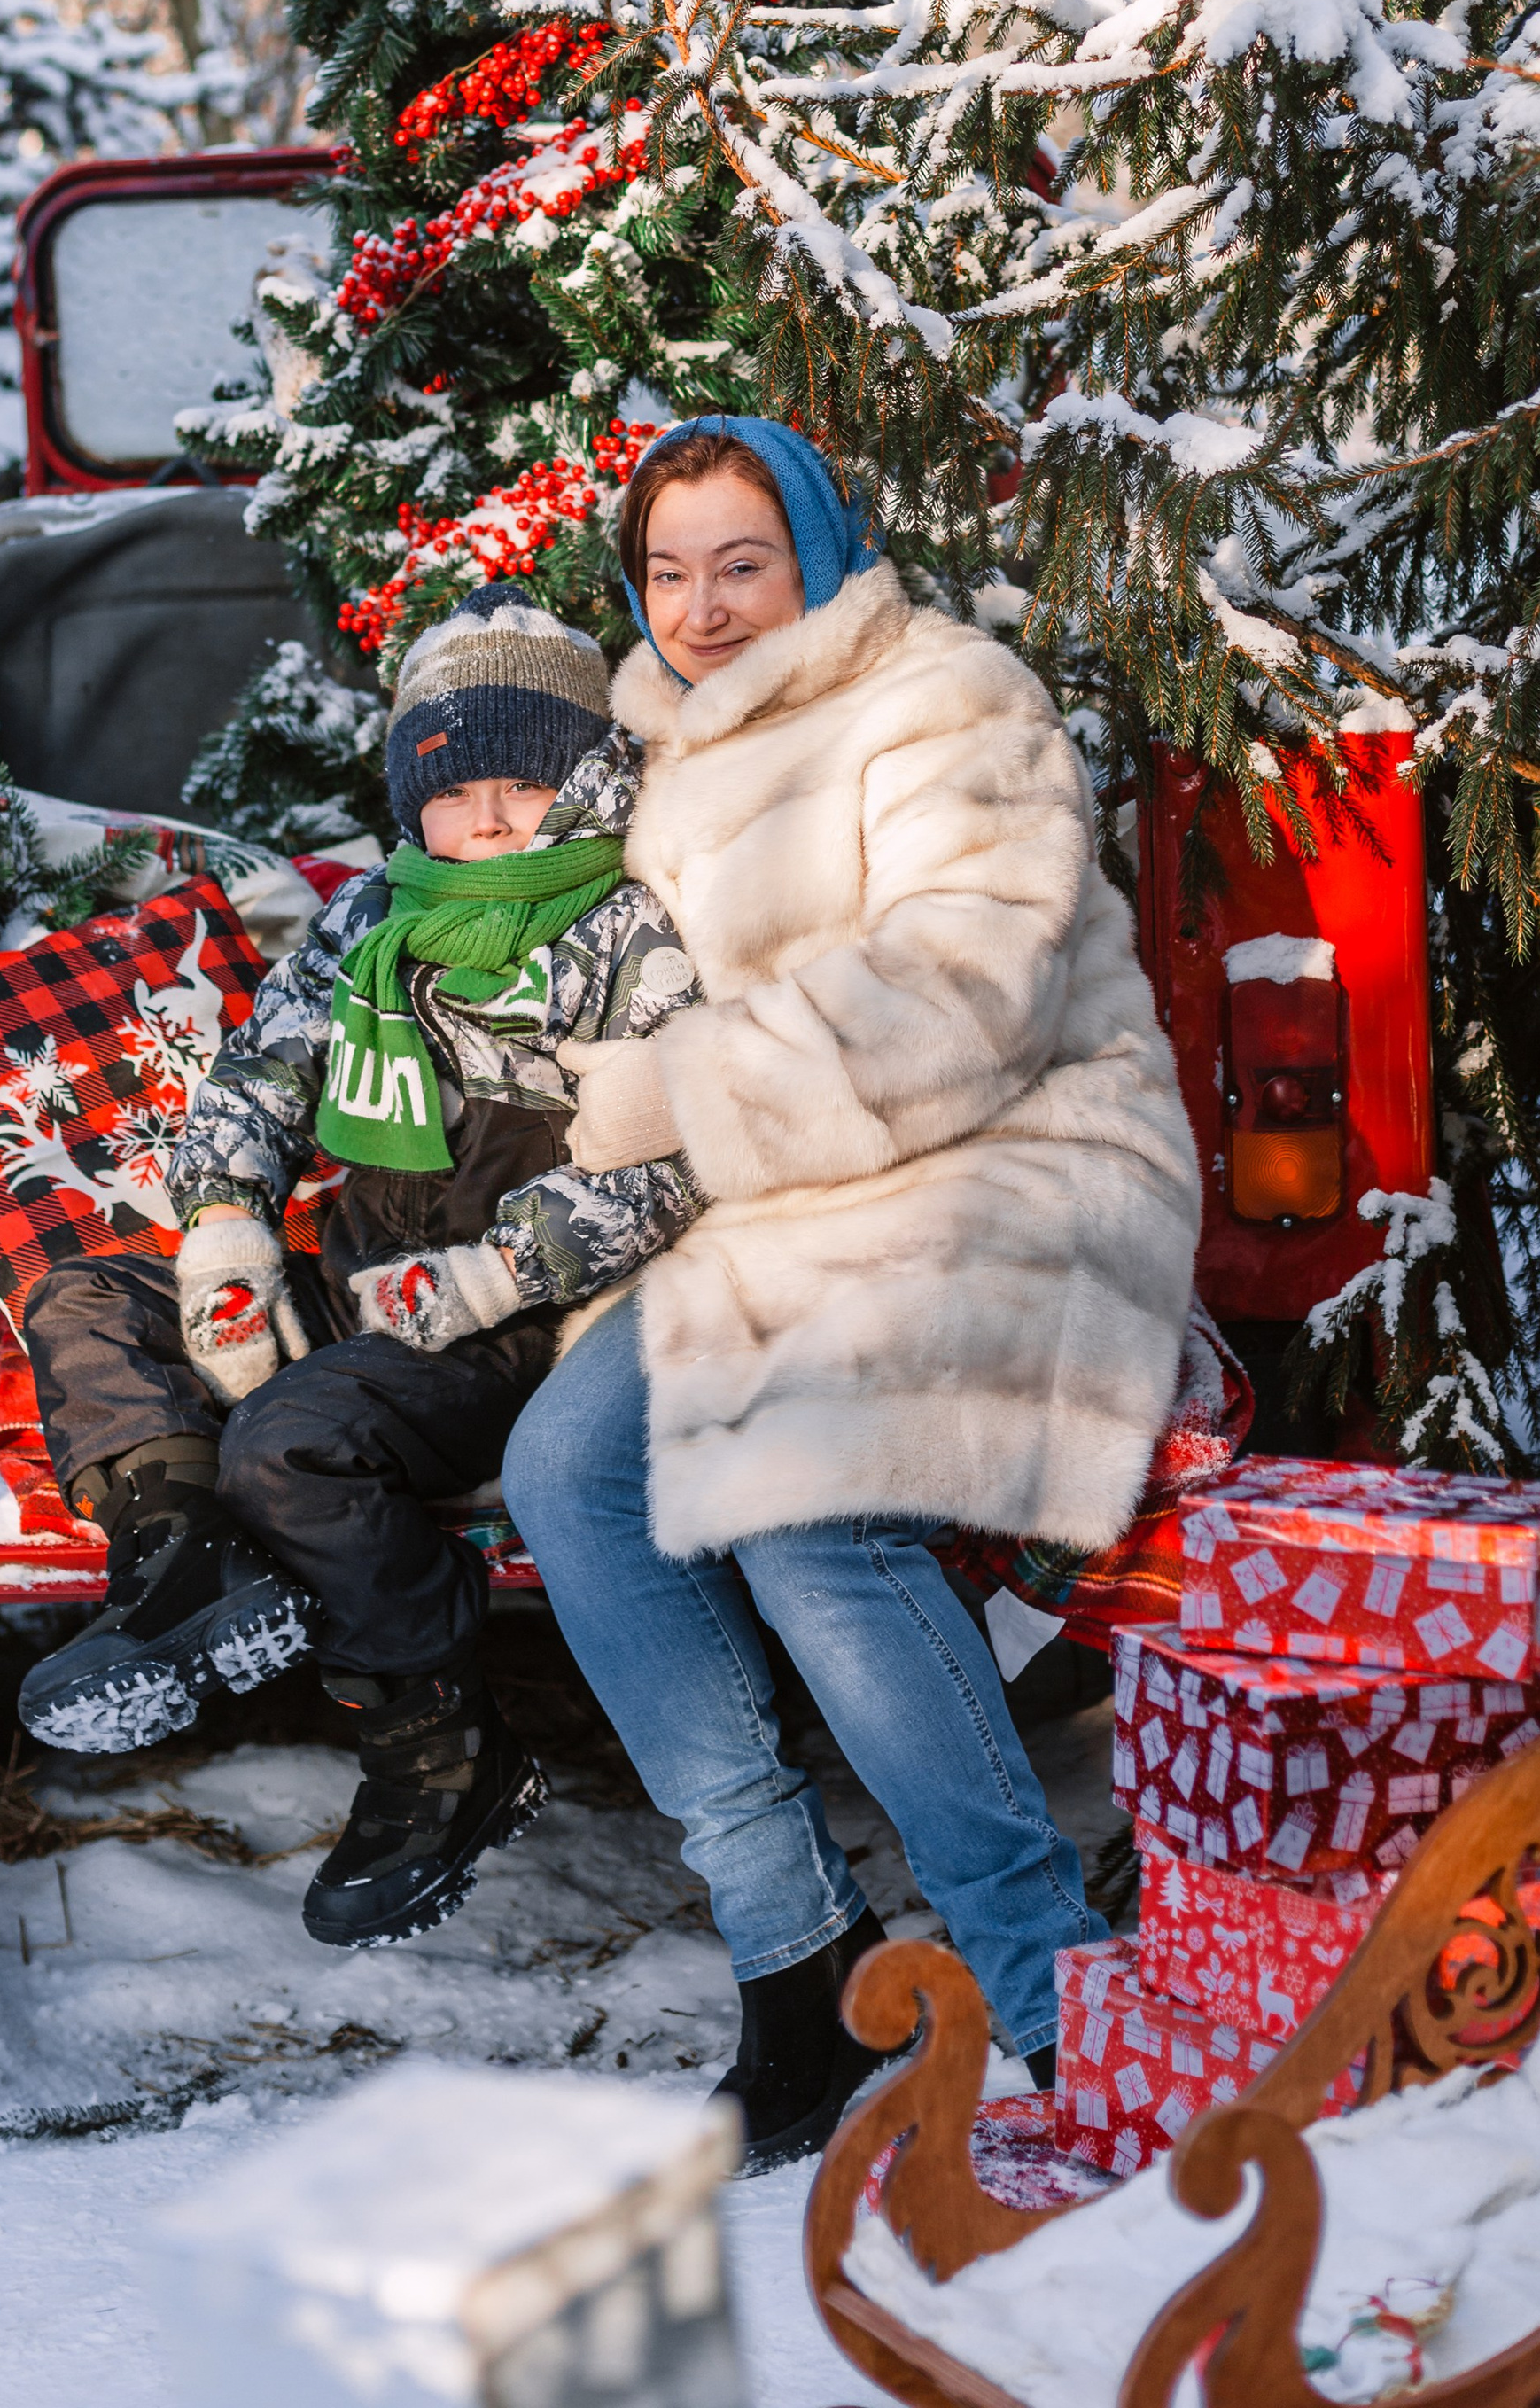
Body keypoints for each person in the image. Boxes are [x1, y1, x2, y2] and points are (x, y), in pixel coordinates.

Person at [502, 417, 1204, 2170]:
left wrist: (690, 1085)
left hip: (1006, 1166)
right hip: (785, 1190)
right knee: (562, 1473)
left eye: (740, 560)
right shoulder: (648, 741)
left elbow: (966, 986)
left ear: (816, 549)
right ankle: (794, 1957)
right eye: (666, 571)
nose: (702, 604)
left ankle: (1048, 1986)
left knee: (811, 1505)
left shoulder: (944, 701)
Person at [16, 581, 702, 1949]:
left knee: (287, 1437)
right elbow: (259, 1080)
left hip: (513, 1317)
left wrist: (495, 1279)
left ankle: (439, 1743)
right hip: (366, 1268)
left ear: (591, 782)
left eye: (527, 779)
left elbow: (672, 1165)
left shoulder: (627, 939)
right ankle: (180, 1569)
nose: (490, 816)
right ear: (412, 803)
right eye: (455, 791)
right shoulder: (370, 921)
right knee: (86, 1297)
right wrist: (226, 1234)